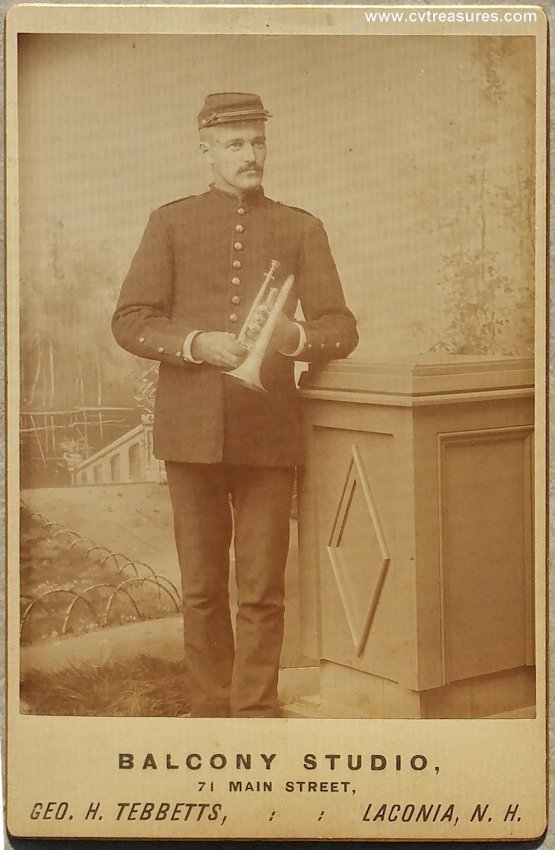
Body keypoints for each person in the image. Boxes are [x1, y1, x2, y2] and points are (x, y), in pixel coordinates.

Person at [112, 92, 358, 718]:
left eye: (257, 142)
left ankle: (254, 711)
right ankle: (208, 708)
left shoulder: (301, 226)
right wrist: (196, 343)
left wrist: (295, 337)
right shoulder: (169, 222)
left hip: (269, 433)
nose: (249, 155)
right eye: (234, 144)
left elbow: (341, 327)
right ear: (206, 150)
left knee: (262, 587)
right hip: (189, 431)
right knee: (200, 589)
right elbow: (131, 321)